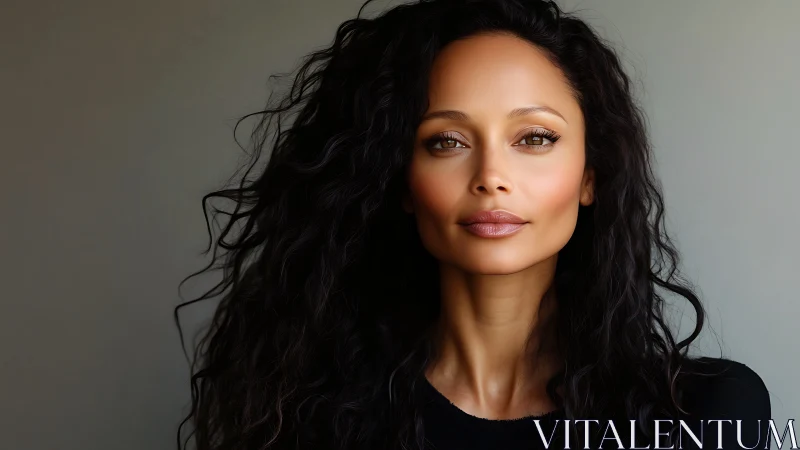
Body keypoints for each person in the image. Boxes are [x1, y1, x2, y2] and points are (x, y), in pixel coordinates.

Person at [174, 0, 771, 449]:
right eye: (447, 141)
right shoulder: (302, 413)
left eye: (534, 138)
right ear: (402, 182)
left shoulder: (708, 413)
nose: (491, 175)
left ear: (591, 176)